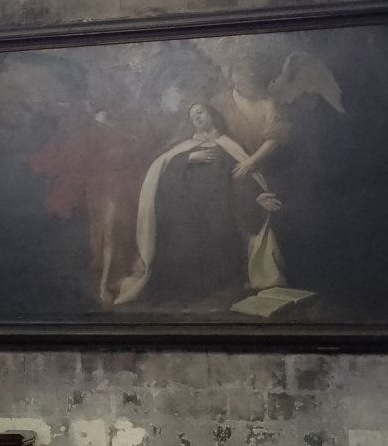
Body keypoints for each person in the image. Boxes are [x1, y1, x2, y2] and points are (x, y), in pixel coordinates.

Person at [115, 103, 284, 307]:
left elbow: (239, 177)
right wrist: (188, 159)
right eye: (192, 115)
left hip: (219, 212)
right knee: (185, 252)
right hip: (188, 214)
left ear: (211, 114)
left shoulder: (228, 145)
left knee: (221, 267)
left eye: (200, 112)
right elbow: (163, 178)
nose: (196, 117)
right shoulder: (185, 148)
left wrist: (256, 197)